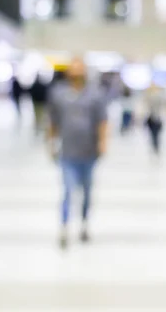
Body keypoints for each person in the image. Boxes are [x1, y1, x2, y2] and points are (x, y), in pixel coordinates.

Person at [47, 58, 108, 248]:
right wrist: (50, 143)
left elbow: (102, 121)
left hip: (89, 151)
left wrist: (103, 142)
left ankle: (84, 224)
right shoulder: (59, 94)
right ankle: (64, 226)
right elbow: (53, 121)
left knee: (87, 192)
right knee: (67, 190)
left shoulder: (95, 95)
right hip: (68, 152)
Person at [145, 84, 165, 155]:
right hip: (151, 118)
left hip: (157, 119)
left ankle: (156, 147)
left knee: (156, 135)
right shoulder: (149, 96)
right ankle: (155, 147)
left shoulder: (158, 96)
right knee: (153, 135)